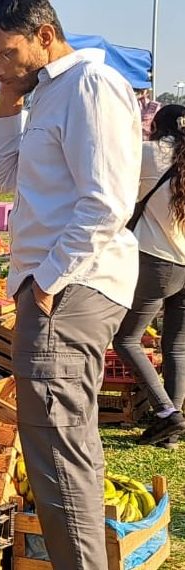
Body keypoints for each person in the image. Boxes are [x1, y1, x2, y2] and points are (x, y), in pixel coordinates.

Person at [0, 1, 141, 569]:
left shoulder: (91, 85)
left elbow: (107, 203)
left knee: (56, 453)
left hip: (70, 284)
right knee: (61, 445)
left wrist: (45, 284)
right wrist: (9, 96)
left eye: (6, 54)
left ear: (45, 35)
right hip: (55, 283)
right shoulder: (45, 91)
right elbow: (6, 178)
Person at [113, 105, 185, 449]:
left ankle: (167, 412)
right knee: (176, 347)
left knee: (126, 339)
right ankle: (170, 434)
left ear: (155, 125)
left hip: (155, 262)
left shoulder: (147, 153)